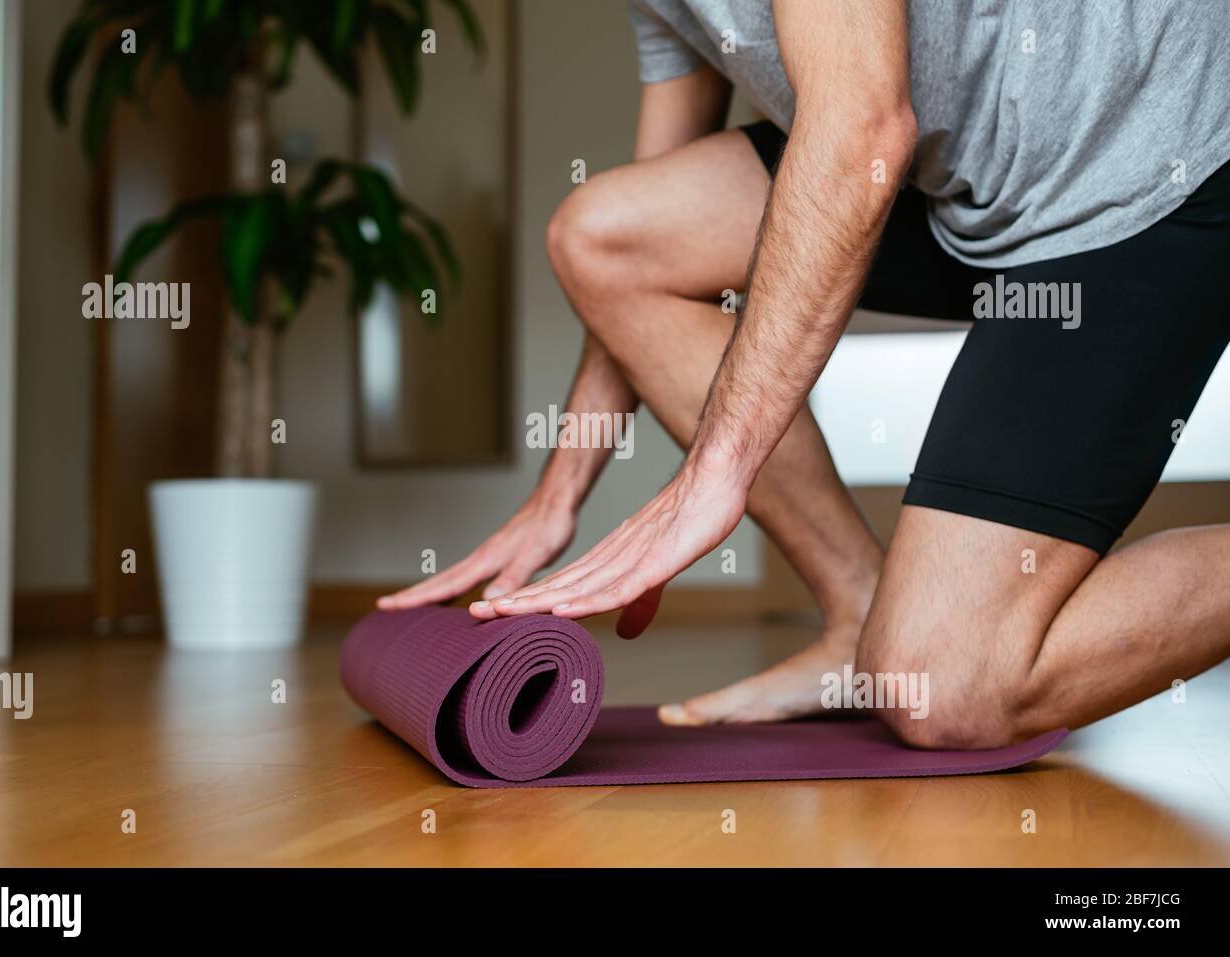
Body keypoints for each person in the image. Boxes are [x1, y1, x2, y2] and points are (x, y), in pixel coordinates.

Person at [380, 1, 1230, 749]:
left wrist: (715, 471)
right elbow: (638, 238)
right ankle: (856, 611)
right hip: (959, 178)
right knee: (601, 235)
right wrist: (557, 494)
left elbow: (862, 126)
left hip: (1146, 171)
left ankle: (906, 639)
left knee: (949, 686)